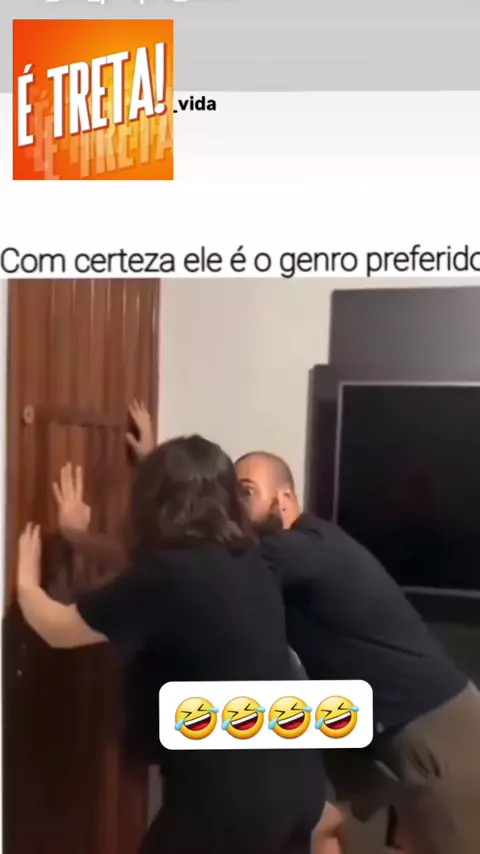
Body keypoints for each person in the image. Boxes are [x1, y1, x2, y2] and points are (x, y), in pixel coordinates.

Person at [16, 435, 327, 854]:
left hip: (232, 799)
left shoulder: (164, 575)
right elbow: (132, 568)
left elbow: (56, 627)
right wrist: (76, 534)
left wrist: (25, 582)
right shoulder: (249, 559)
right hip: (298, 781)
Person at [235, 451, 480, 854]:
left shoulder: (300, 549)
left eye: (246, 493)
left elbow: (203, 568)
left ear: (284, 499)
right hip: (384, 726)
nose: (235, 508)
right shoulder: (302, 553)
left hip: (439, 733)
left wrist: (172, 489)